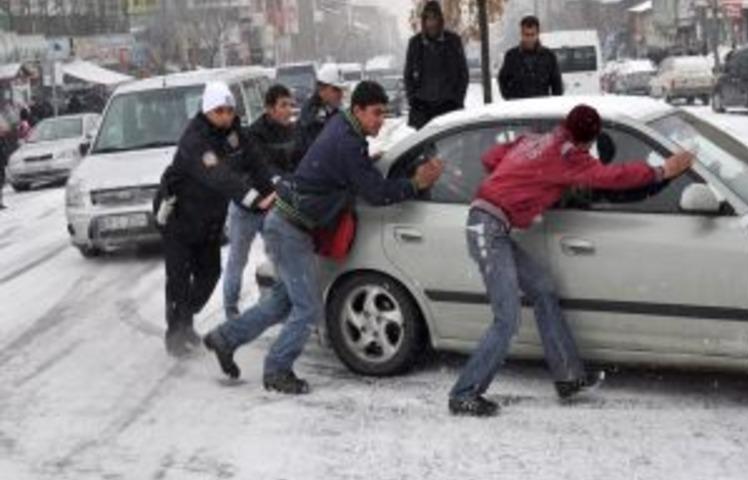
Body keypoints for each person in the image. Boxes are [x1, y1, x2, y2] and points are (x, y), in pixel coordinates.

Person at [447, 104, 695, 417]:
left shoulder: (534, 140)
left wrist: (520, 183)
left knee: (543, 290)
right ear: (589, 142)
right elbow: (612, 177)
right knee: (506, 319)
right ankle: (464, 394)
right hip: (488, 228)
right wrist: (662, 171)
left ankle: (568, 377)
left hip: (493, 225)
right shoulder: (568, 157)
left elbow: (491, 158)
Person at [203, 81, 445, 394]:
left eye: (384, 113)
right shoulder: (348, 141)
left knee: (282, 302)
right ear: (357, 110)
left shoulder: (345, 131)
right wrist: (415, 182)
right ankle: (277, 370)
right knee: (308, 309)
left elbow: (345, 172)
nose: (380, 120)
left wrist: (368, 163)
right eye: (375, 113)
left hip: (288, 224)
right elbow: (375, 193)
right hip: (290, 229)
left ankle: (225, 339)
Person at [156, 81, 276, 357]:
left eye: (229, 110)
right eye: (219, 111)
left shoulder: (235, 132)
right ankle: (175, 335)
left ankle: (184, 318)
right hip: (180, 219)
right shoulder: (194, 139)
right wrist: (253, 199)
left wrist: (273, 184)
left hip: (209, 220)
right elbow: (219, 176)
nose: (226, 116)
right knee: (178, 280)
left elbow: (256, 162)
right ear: (208, 110)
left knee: (209, 275)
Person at [222, 84, 298, 320]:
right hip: (247, 207)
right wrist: (281, 181)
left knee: (280, 256)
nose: (288, 110)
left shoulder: (292, 131)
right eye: (283, 105)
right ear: (269, 109)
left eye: (290, 104)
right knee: (238, 260)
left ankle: (277, 304)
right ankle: (231, 310)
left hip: (274, 205)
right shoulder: (253, 134)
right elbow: (264, 168)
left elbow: (295, 163)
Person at [403, 0, 469, 129]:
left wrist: (457, 100)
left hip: (449, 107)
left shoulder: (453, 41)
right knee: (426, 148)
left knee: (451, 147)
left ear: (440, 20)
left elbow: (463, 74)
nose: (431, 23)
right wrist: (413, 101)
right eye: (428, 19)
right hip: (422, 110)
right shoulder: (415, 43)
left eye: (434, 19)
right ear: (423, 21)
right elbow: (408, 76)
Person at [498, 16, 563, 100]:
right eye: (526, 35)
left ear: (538, 34)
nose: (529, 38)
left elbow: (557, 84)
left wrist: (554, 103)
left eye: (532, 34)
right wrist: (510, 98)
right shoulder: (511, 56)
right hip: (518, 108)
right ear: (521, 34)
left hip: (542, 107)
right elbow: (502, 79)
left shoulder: (549, 56)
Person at [297, 63, 347, 157]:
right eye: (336, 90)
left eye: (341, 90)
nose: (340, 94)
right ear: (321, 89)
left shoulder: (336, 112)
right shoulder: (311, 117)